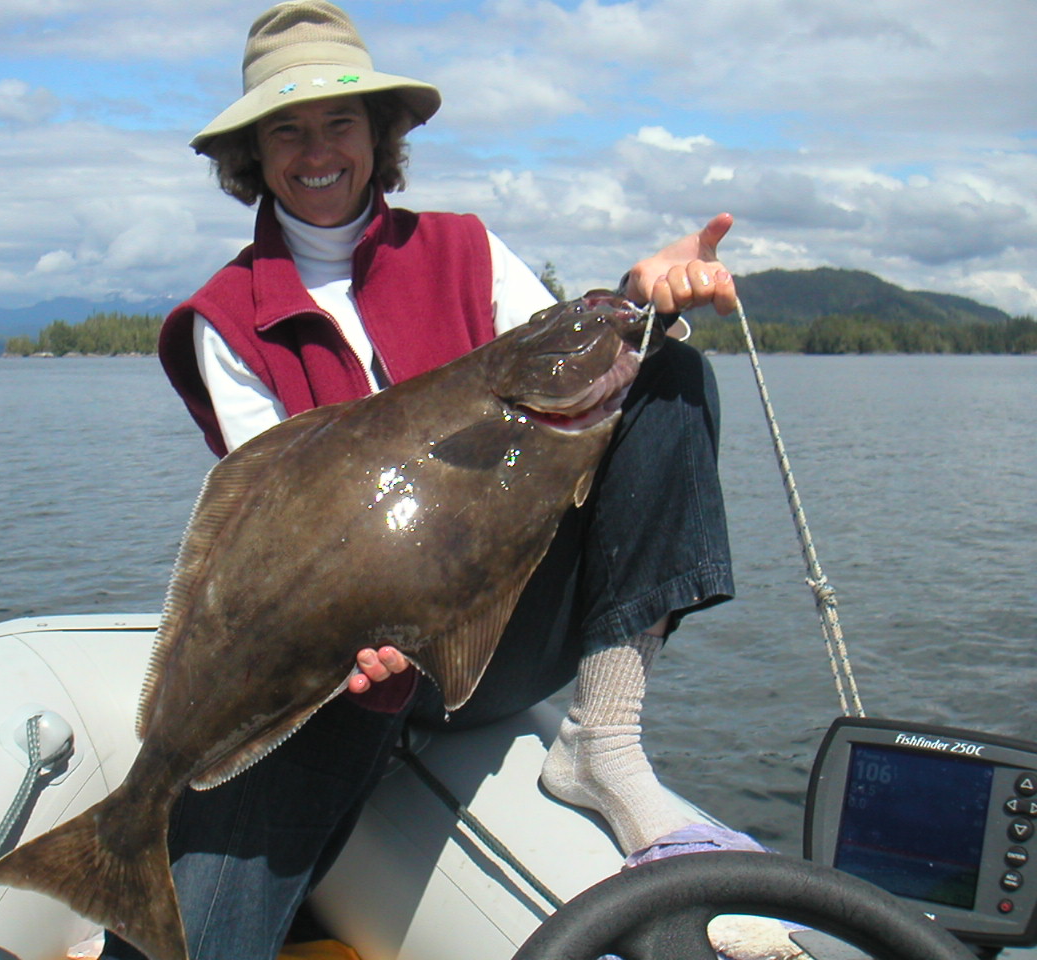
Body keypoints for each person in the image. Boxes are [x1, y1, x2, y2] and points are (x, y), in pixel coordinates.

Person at [115, 3, 794, 959]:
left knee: (673, 375)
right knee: (192, 935)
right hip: (343, 662)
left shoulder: (466, 249)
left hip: (504, 625)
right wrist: (340, 646)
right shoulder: (223, 320)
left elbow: (572, 360)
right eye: (288, 129)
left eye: (341, 122)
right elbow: (263, 507)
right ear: (254, 155)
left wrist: (641, 306)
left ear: (381, 134)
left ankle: (603, 740)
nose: (318, 151)